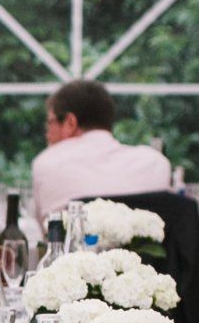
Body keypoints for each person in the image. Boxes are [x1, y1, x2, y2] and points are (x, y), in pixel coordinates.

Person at [29, 79, 172, 221]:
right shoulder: (156, 163)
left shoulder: (48, 163)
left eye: (50, 123)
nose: (47, 134)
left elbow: (48, 237)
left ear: (70, 123)